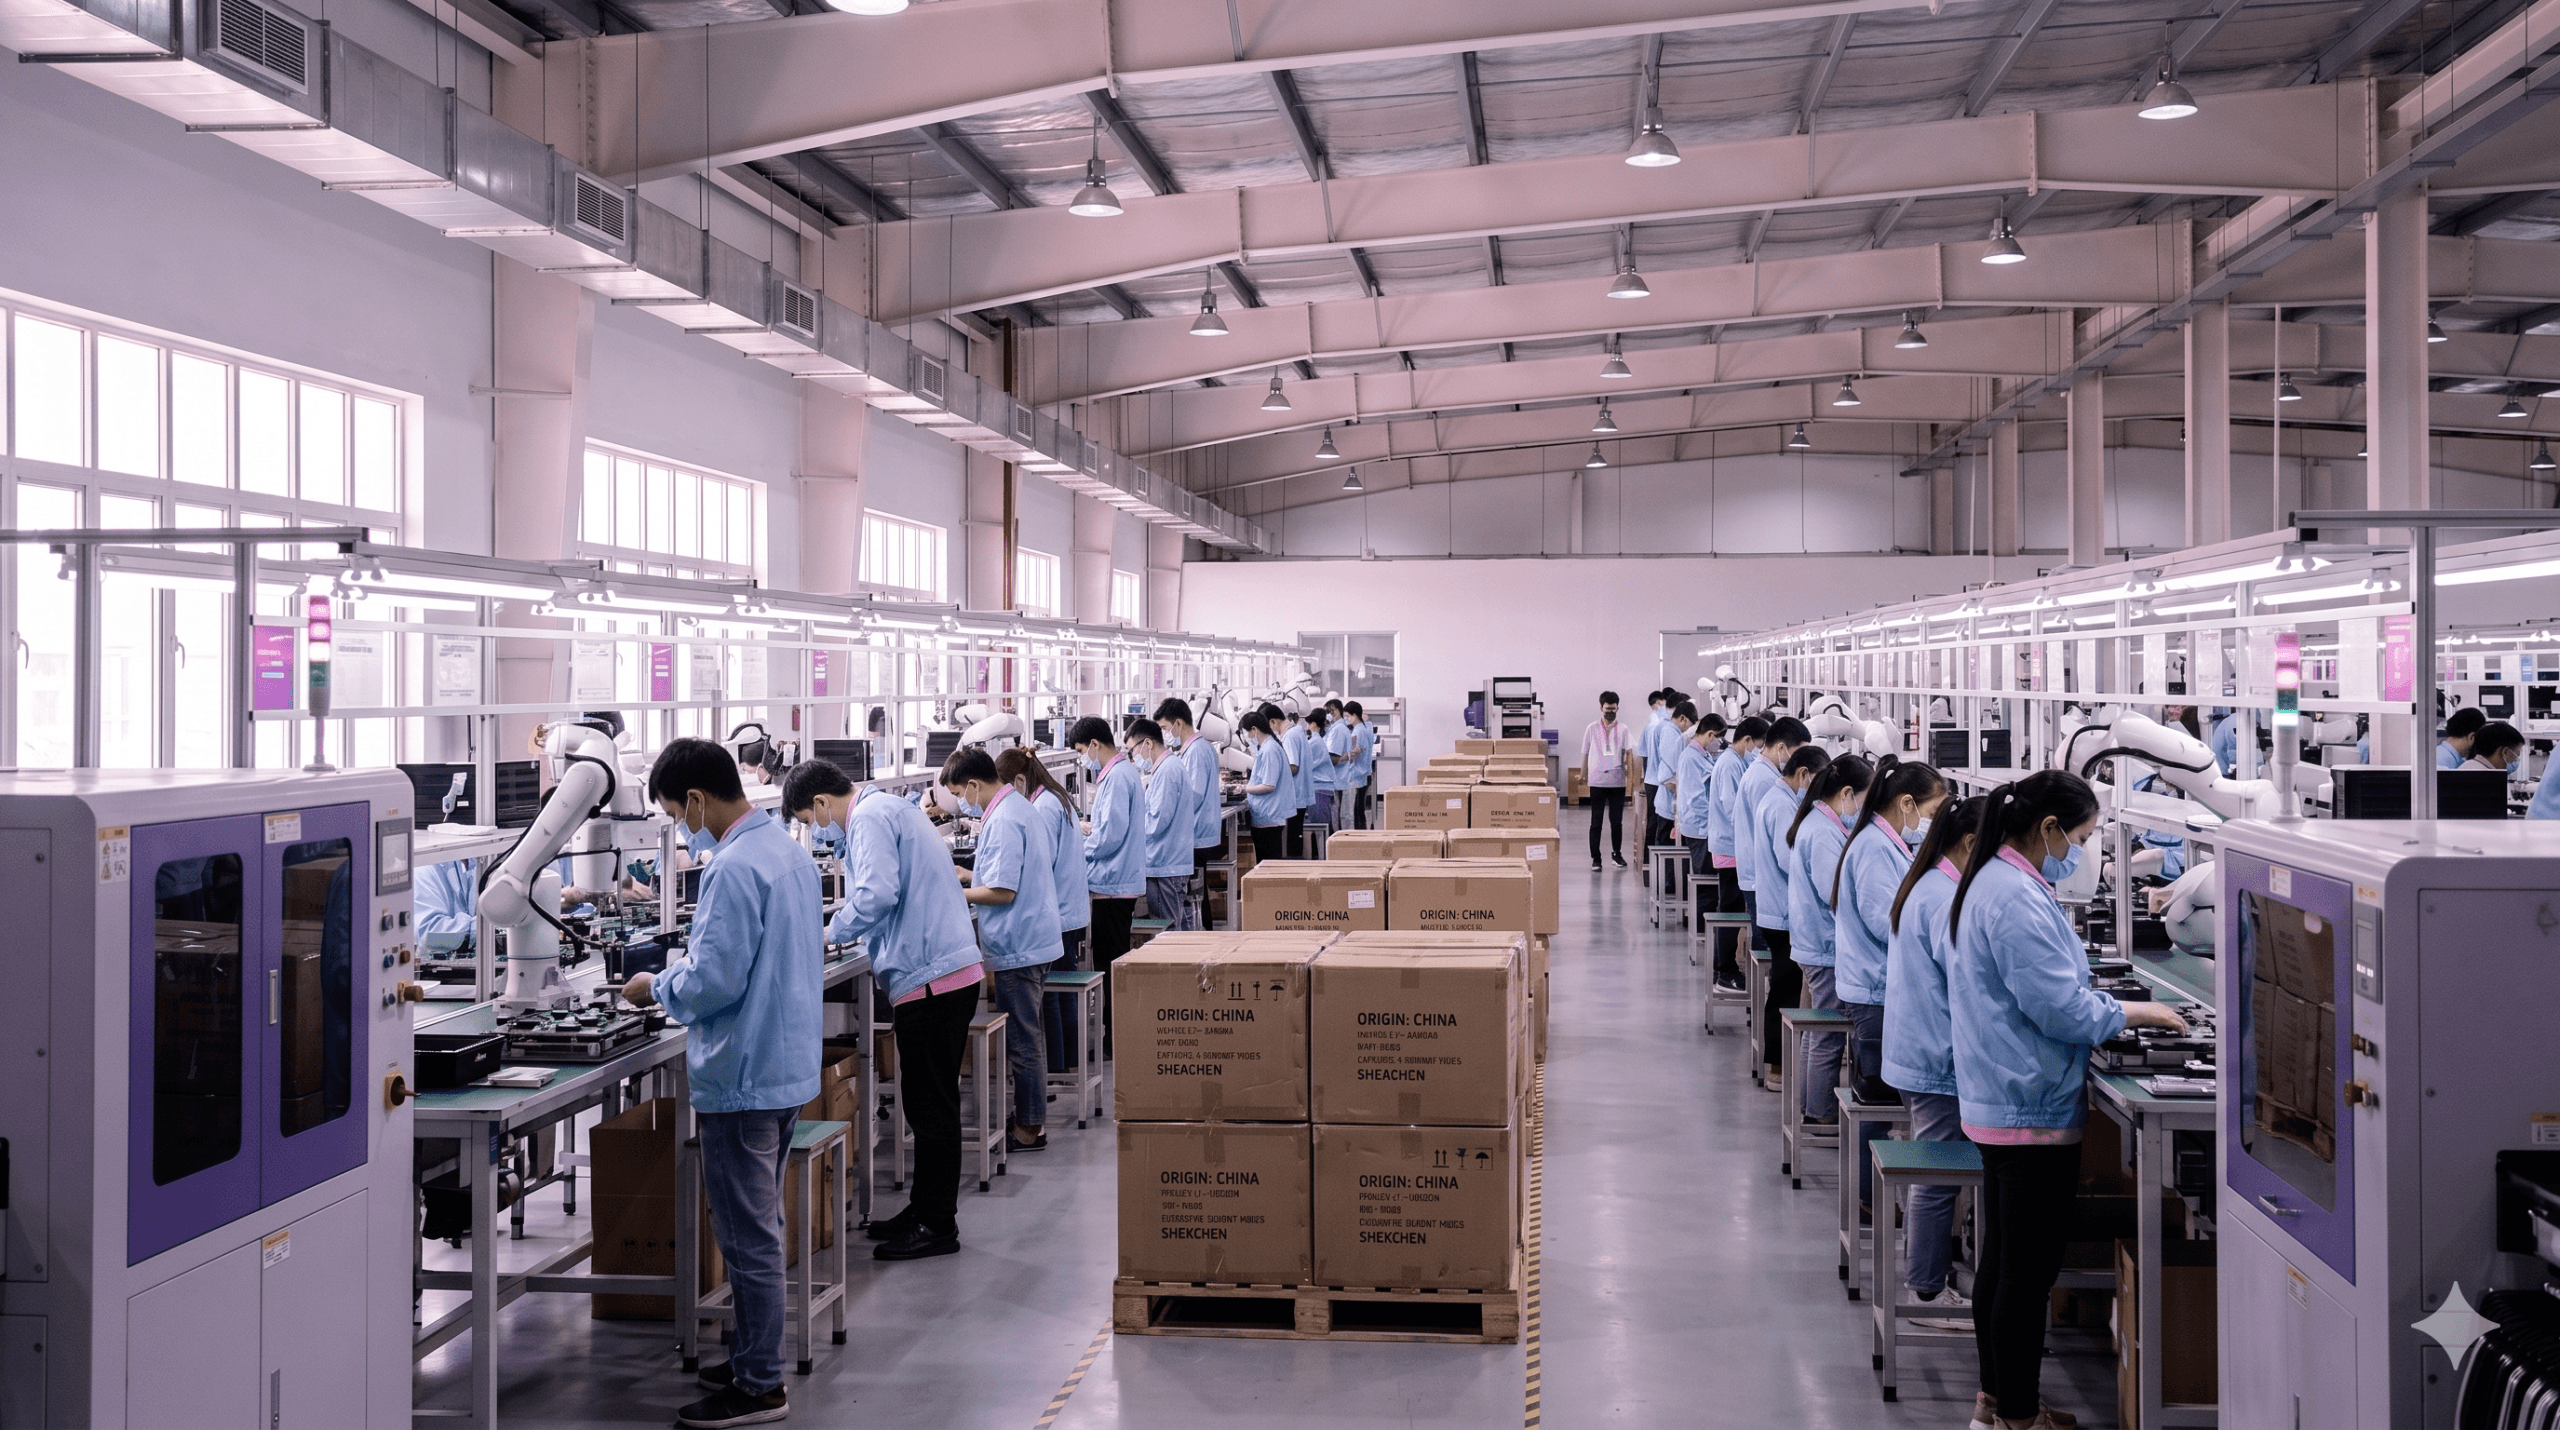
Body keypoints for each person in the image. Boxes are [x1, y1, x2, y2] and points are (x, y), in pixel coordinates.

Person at [1947, 771, 2188, 1430]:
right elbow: (2059, 1009)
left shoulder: (1994, 881)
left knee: (2002, 1265)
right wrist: (2140, 1013)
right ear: (2049, 828)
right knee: (2023, 1277)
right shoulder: (2016, 898)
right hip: (2027, 1108)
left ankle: (1997, 1403)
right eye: (2080, 837)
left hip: (2001, 1097)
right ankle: (2018, 1420)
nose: (2079, 851)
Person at [620, 738, 821, 1429]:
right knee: (759, 1226)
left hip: (742, 1075)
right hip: (785, 1063)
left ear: (698, 800)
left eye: (678, 813)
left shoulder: (733, 868)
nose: (682, 826)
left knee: (747, 1237)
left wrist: (655, 986)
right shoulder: (787, 852)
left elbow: (712, 980)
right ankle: (750, 1357)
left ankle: (759, 1383)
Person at [783, 758, 980, 1266]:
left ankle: (937, 1224)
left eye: (810, 820)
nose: (816, 831)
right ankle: (922, 1210)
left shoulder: (868, 818)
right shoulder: (888, 808)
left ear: (823, 803)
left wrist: (830, 932)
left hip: (932, 978)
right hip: (939, 971)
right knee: (927, 1103)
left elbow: (877, 892)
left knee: (931, 1107)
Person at [1882, 796, 1986, 1334]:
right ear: (1970, 844)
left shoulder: (1927, 884)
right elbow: (1968, 981)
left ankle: (1936, 1269)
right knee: (1940, 1174)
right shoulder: (1944, 897)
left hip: (1920, 1047)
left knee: (1939, 1165)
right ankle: (1925, 1289)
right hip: (1935, 1055)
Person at [1830, 756, 1948, 1214]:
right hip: (1875, 992)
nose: (1931, 824)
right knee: (1876, 1107)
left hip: (1874, 986)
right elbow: (1887, 923)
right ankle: (1870, 1200)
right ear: (1906, 803)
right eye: (1932, 812)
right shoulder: (1876, 848)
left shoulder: (1882, 841)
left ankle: (1871, 1196)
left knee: (1874, 1099)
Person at [944, 747, 1063, 1154]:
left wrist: (956, 892)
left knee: (1023, 1040)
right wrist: (970, 874)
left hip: (1020, 944)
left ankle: (1029, 1129)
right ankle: (1030, 1118)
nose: (963, 802)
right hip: (1031, 936)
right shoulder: (1014, 807)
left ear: (975, 785)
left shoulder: (1005, 820)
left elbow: (1002, 890)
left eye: (961, 793)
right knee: (1029, 1036)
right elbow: (1004, 875)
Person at [1786, 753, 1873, 1126]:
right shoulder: (1822, 831)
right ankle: (1820, 1114)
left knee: (1821, 1031)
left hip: (1816, 942)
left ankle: (1813, 1106)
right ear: (1847, 793)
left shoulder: (1822, 821)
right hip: (1824, 946)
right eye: (1864, 801)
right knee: (1828, 1034)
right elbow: (1830, 890)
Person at [1737, 718, 1814, 1074]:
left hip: (1771, 897)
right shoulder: (1774, 790)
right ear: (1784, 750)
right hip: (1778, 904)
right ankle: (1778, 1066)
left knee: (1782, 985)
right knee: (1783, 987)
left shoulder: (1771, 786)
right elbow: (1787, 858)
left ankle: (1779, 1062)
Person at [1001, 747, 1088, 974]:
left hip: (1060, 913)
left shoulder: (1043, 806)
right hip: (1068, 909)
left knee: (1055, 990)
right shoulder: (1052, 797)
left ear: (1019, 781)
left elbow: (1041, 863)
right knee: (1063, 987)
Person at [1072, 716, 1143, 983]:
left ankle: (1114, 1022)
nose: (1082, 759)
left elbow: (1109, 838)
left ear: (1094, 744)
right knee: (1111, 956)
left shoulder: (1116, 777)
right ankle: (1115, 1018)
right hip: (1117, 881)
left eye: (1081, 752)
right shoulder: (1121, 772)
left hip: (1114, 885)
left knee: (1109, 960)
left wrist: (1079, 852)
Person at [1704, 716, 1767, 988]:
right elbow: (1733, 808)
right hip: (1730, 848)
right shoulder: (1730, 763)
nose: (1760, 751)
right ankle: (1725, 971)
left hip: (1732, 845)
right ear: (1747, 740)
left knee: (1731, 907)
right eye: (1760, 745)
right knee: (1729, 911)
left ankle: (1727, 967)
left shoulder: (1738, 761)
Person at [1129, 718, 1199, 930]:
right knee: (1176, 927)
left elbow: (1156, 822)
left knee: (1166, 933)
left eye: (1132, 750)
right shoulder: (1167, 768)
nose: (1133, 758)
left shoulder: (1168, 771)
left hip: (1165, 864)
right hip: (1169, 862)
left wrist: (1130, 828)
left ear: (1148, 744)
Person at [1157, 698, 1227, 876]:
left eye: (1165, 728)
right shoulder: (1198, 748)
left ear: (1178, 723)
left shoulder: (1196, 751)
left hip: (1197, 833)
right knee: (1198, 892)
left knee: (1195, 893)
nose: (1164, 733)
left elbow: (1193, 795)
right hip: (1199, 830)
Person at [1675, 713, 1724, 937]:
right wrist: (1716, 821)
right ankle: (1701, 931)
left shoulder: (1701, 755)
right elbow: (1696, 799)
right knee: (1705, 884)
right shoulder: (1691, 757)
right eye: (1719, 738)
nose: (1720, 743)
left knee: (1708, 883)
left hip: (1703, 828)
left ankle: (1703, 928)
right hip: (1701, 829)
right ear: (1711, 734)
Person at [1581, 690, 1635, 870]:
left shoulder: (1624, 729)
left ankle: (1616, 854)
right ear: (1600, 708)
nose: (1610, 712)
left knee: (1616, 822)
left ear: (1618, 708)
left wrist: (1631, 779)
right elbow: (1585, 753)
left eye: (1613, 709)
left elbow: (1628, 754)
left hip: (1617, 781)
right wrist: (1583, 774)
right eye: (1607, 709)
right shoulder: (1591, 728)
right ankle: (1596, 858)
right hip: (1596, 780)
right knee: (1596, 822)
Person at [1649, 700, 1700, 854]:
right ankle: (1664, 878)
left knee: (1667, 848)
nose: (1689, 731)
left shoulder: (1674, 733)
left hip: (1669, 802)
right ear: (1683, 718)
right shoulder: (1670, 733)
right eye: (1689, 725)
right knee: (1666, 850)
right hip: (1668, 803)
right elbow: (1670, 771)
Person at [1242, 711, 1290, 861]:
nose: (1246, 737)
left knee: (1268, 865)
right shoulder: (1267, 748)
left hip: (1269, 817)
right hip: (1266, 816)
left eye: (1246, 732)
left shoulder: (1270, 750)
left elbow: (1269, 785)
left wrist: (1245, 789)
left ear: (1254, 730)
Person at [413, 856, 479, 958]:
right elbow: (429, 936)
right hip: (432, 969)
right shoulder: (423, 867)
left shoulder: (471, 861)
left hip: (470, 963)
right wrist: (484, 926)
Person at [1273, 704, 1311, 857]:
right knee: (1295, 835)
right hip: (1299, 793)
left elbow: (1293, 767)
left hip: (1294, 795)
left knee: (1292, 839)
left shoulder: (1289, 736)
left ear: (1273, 721)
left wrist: (1273, 775)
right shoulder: (1297, 731)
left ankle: (1293, 871)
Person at [1342, 700, 1376, 830]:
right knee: (1358, 810)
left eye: (1347, 716)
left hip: (1357, 776)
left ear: (1354, 715)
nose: (1346, 719)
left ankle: (1358, 838)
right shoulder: (1364, 728)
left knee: (1355, 812)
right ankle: (1361, 836)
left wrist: (1340, 759)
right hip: (1362, 774)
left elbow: (1356, 751)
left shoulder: (1358, 731)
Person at [1303, 706, 1338, 833]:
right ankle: (1324, 852)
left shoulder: (1314, 742)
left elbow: (1304, 765)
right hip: (1321, 788)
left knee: (1321, 829)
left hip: (1319, 789)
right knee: (1323, 826)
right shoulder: (1316, 740)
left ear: (1312, 723)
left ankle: (1324, 853)